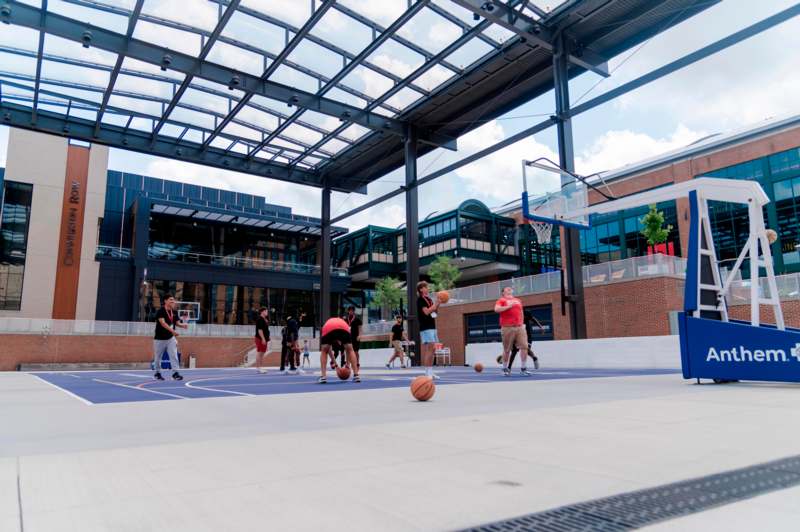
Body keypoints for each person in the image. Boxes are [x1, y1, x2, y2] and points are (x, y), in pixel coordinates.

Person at [495, 286, 531, 376]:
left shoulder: (518, 300)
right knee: (507, 349)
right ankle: (505, 369)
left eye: (510, 288)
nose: (509, 289)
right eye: (507, 288)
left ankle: (523, 369)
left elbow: (521, 312)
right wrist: (508, 306)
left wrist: (522, 323)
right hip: (507, 327)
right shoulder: (501, 300)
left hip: (519, 327)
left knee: (524, 347)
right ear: (503, 292)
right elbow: (496, 309)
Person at [153, 293, 187, 381]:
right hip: (160, 338)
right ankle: (157, 373)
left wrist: (183, 325)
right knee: (158, 357)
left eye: (173, 300)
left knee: (174, 355)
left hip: (170, 338)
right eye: (171, 300)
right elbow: (163, 323)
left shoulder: (174, 312)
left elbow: (176, 323)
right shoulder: (161, 311)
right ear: (165, 301)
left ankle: (175, 373)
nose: (173, 301)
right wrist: (173, 331)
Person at [318, 317, 361, 384]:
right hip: (343, 327)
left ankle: (323, 377)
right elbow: (348, 351)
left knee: (324, 350)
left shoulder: (325, 326)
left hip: (328, 327)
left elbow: (328, 350)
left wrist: (337, 366)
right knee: (350, 349)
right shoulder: (344, 323)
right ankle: (356, 375)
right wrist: (347, 365)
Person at [417, 281, 441, 379]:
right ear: (421, 289)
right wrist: (435, 305)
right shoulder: (420, 300)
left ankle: (430, 371)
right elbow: (426, 312)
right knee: (429, 349)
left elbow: (434, 311)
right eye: (425, 287)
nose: (427, 288)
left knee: (433, 349)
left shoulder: (429, 299)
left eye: (427, 287)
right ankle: (427, 373)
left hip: (432, 326)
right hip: (425, 327)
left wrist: (438, 304)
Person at [254, 307, 270, 374]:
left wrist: (267, 337)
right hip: (260, 338)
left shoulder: (264, 319)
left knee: (262, 353)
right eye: (266, 311)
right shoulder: (260, 319)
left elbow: (266, 329)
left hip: (264, 338)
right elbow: (260, 330)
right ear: (262, 312)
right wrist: (263, 339)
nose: (267, 313)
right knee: (260, 352)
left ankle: (260, 367)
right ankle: (258, 368)